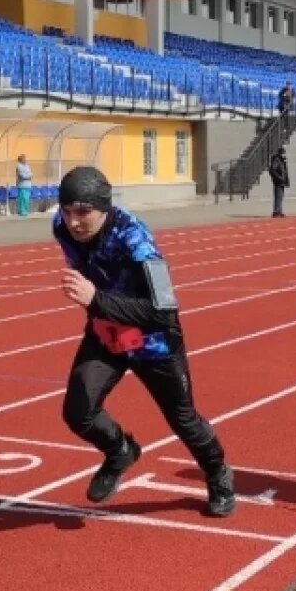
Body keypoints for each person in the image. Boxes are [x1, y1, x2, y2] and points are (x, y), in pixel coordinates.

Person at [53, 166, 236, 517]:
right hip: (107, 334)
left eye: (82, 212)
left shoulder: (135, 238)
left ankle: (217, 473)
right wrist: (99, 310)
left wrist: (96, 300)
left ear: (104, 208)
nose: (73, 221)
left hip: (154, 343)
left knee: (184, 420)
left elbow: (164, 311)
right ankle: (120, 450)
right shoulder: (61, 228)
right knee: (77, 412)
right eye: (66, 210)